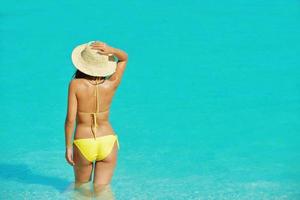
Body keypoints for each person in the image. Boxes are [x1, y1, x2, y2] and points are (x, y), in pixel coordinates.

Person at [64, 40, 128, 196]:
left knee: (81, 189)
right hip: (108, 140)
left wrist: (68, 147)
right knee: (103, 191)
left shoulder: (76, 85)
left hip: (84, 142)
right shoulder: (111, 83)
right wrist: (111, 49)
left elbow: (70, 119)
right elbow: (124, 58)